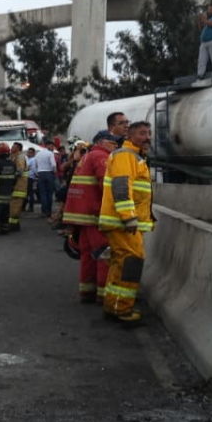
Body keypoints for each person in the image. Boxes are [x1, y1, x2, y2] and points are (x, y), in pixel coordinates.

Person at [98, 122, 154, 324]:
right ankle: (122, 310)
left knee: (120, 262)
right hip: (123, 223)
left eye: (149, 133)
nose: (147, 137)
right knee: (132, 261)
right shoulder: (126, 156)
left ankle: (113, 304)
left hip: (122, 222)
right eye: (142, 133)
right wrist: (129, 217)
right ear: (130, 136)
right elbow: (121, 188)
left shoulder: (135, 157)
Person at [62, 132, 117, 304]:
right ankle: (103, 294)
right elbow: (106, 185)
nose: (116, 146)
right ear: (102, 142)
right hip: (94, 213)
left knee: (87, 253)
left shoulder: (88, 156)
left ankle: (87, 291)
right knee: (104, 252)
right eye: (113, 142)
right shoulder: (101, 157)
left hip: (80, 214)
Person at [7, 142, 28, 231]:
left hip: (19, 186)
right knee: (14, 206)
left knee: (14, 207)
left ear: (18, 148)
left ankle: (12, 225)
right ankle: (15, 224)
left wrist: (10, 177)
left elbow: (20, 170)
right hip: (17, 186)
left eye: (13, 147)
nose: (11, 148)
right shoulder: (15, 156)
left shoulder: (20, 157)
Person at [34, 141, 58, 218]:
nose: (52, 148)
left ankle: (44, 211)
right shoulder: (50, 154)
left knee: (43, 193)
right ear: (47, 146)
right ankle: (48, 211)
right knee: (49, 193)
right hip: (49, 173)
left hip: (40, 173)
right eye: (52, 146)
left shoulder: (38, 154)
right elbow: (54, 165)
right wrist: (54, 171)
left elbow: (34, 166)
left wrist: (36, 173)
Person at [25, 148, 38, 212]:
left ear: (33, 153)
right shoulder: (28, 159)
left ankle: (31, 207)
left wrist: (36, 174)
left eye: (30, 152)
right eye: (28, 152)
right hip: (26, 177)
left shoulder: (33, 160)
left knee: (30, 193)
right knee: (26, 193)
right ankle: (24, 207)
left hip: (30, 177)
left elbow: (32, 168)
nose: (29, 153)